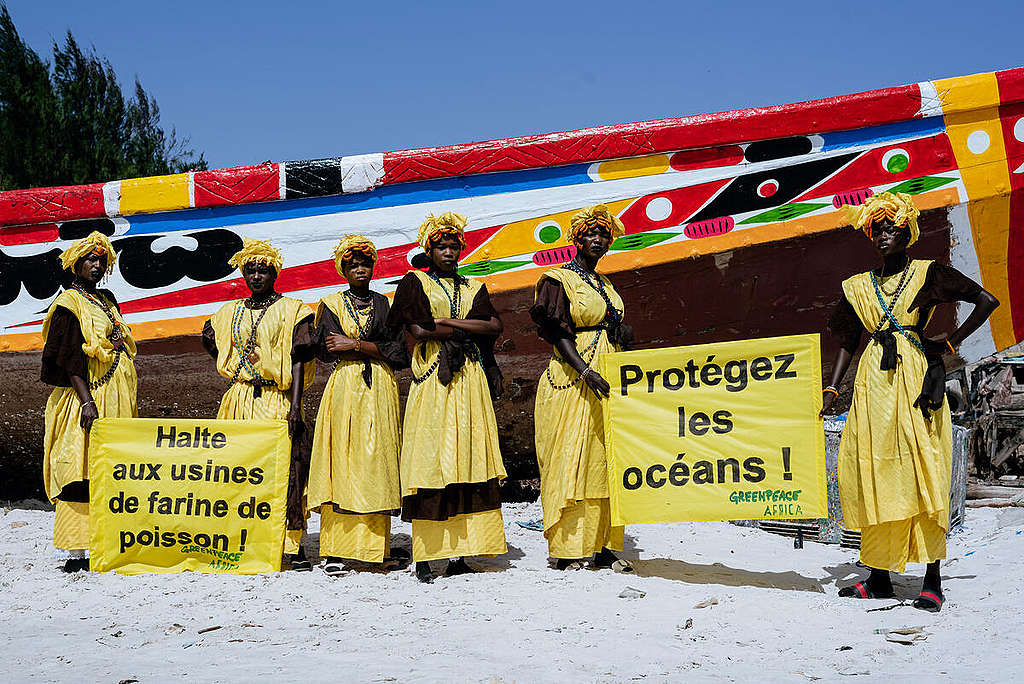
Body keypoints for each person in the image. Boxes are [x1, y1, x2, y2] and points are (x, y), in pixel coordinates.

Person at [821, 192, 998, 611]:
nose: (884, 234)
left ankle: (932, 580)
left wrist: (950, 341)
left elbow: (986, 301)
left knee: (923, 469)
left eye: (892, 227)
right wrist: (831, 388)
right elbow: (848, 339)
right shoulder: (858, 286)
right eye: (877, 228)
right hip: (872, 387)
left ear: (908, 233)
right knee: (874, 473)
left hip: (916, 381)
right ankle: (878, 577)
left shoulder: (928, 273)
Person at [388, 212, 508, 583]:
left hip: (469, 378)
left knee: (467, 457)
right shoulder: (415, 282)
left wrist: (451, 325)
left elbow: (495, 326)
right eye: (442, 246)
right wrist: (465, 326)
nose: (449, 252)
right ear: (429, 249)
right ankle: (426, 556)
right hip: (433, 379)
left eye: (455, 246)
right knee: (431, 458)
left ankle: (459, 554)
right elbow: (418, 330)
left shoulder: (474, 286)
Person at [201, 238, 316, 571]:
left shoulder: (292, 309)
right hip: (239, 398)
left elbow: (298, 356)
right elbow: (210, 339)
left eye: (263, 270)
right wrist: (239, 368)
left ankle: (292, 547)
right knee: (238, 470)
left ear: (274, 273)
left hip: (278, 400)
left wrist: (295, 407)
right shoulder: (229, 312)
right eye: (250, 270)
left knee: (287, 471)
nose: (256, 276)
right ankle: (244, 541)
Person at [530, 204, 634, 570]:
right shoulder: (558, 279)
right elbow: (556, 332)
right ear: (576, 238)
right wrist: (585, 370)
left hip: (605, 377)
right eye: (590, 233)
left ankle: (601, 544)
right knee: (569, 457)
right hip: (572, 379)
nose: (597, 240)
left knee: (602, 459)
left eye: (603, 235)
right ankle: (567, 548)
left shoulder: (605, 283)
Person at [307, 235, 410, 575]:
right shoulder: (331, 304)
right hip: (346, 387)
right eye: (353, 265)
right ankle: (335, 551)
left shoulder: (384, 304)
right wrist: (371, 345)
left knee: (375, 461)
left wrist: (355, 343)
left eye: (365, 264)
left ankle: (373, 550)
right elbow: (329, 347)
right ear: (344, 270)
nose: (360, 269)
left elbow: (399, 353)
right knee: (344, 460)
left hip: (379, 387)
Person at [41, 231, 138, 572]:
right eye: (90, 260)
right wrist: (86, 402)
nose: (97, 265)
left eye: (102, 260)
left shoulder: (108, 300)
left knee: (113, 469)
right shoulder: (69, 304)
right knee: (79, 467)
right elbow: (69, 359)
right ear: (77, 264)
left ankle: (108, 541)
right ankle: (76, 549)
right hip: (88, 397)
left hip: (116, 395)